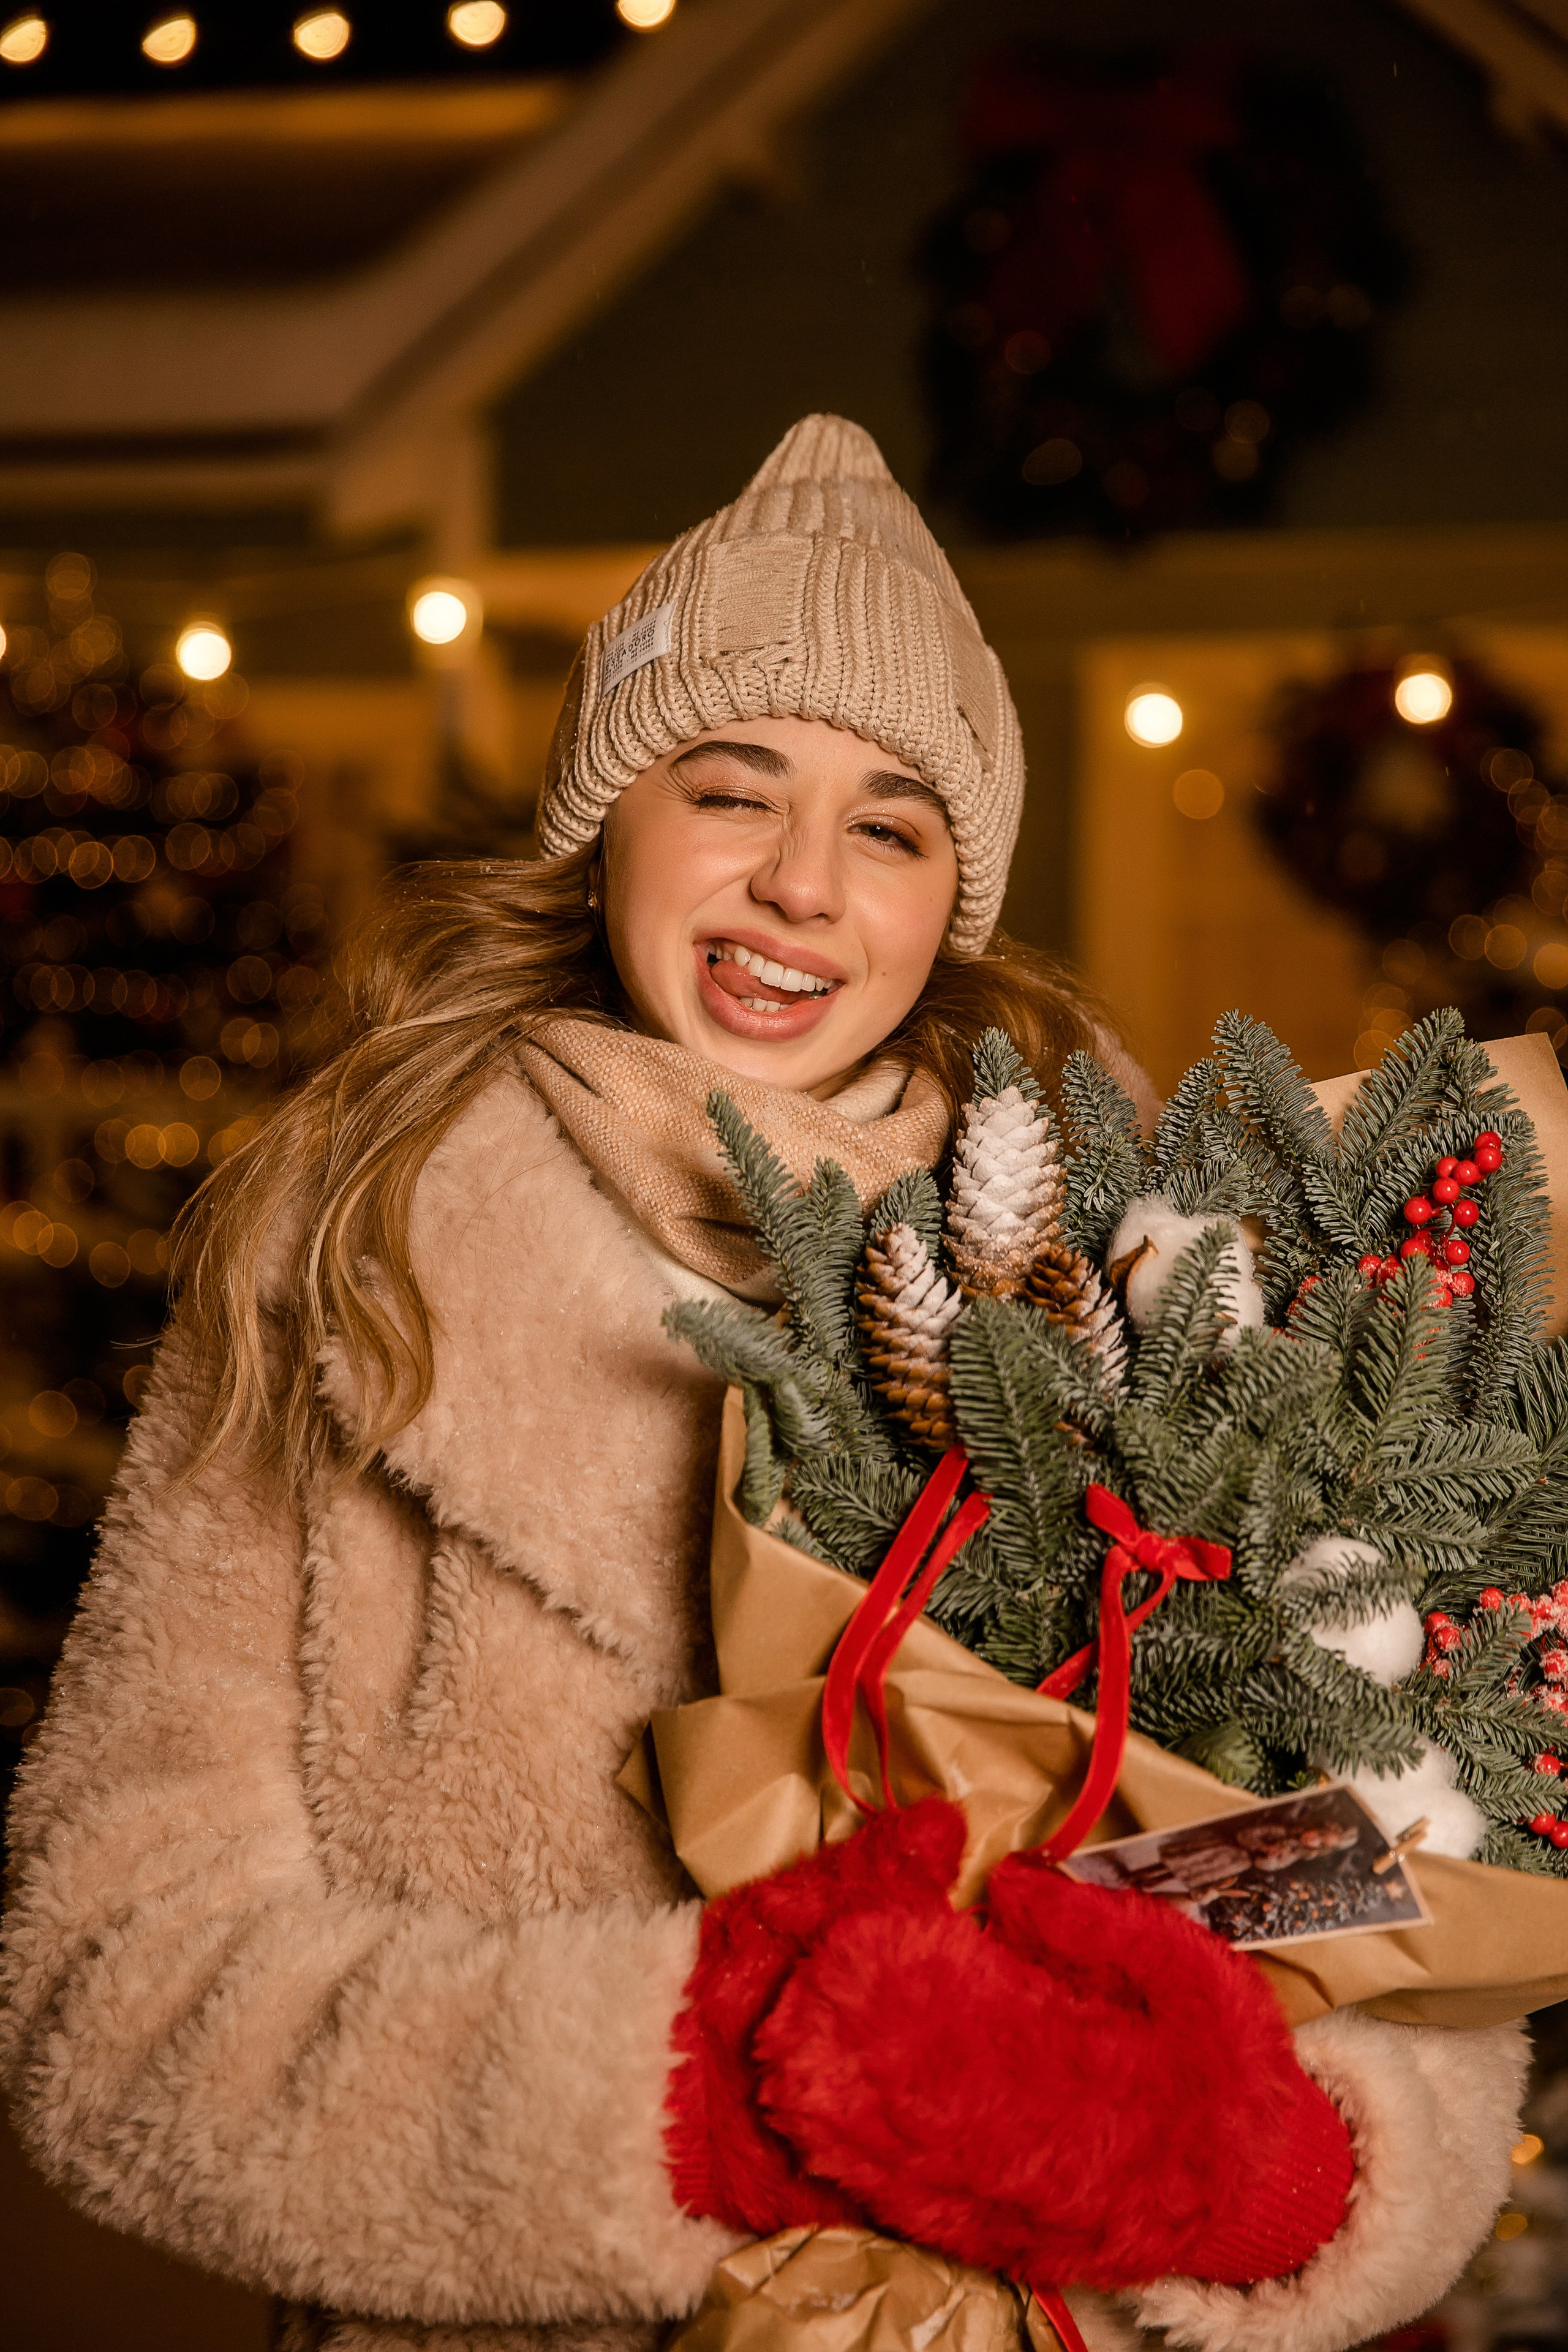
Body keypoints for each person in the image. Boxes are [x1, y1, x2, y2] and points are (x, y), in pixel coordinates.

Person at [0, 418, 1528, 2352]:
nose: (806, 885)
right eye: (735, 791)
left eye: (889, 823)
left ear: (946, 895)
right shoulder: (353, 1266)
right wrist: (715, 2088)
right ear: (608, 819)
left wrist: (1274, 2161)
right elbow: (105, 1996)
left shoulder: (1161, 1274)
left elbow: (1400, 1861)